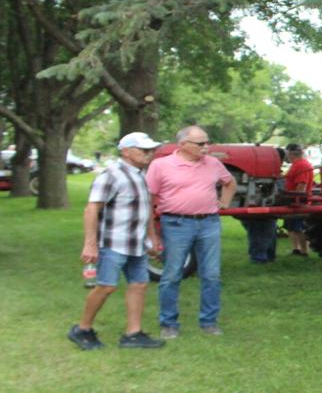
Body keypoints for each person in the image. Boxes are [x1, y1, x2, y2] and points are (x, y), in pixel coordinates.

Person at [70, 132, 166, 350]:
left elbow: (146, 209)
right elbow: (91, 209)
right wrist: (90, 243)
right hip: (113, 244)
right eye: (144, 150)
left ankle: (133, 334)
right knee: (106, 287)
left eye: (151, 150)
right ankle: (82, 329)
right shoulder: (111, 175)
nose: (149, 154)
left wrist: (152, 236)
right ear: (126, 151)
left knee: (139, 284)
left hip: (136, 244)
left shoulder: (141, 175)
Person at [146, 125, 234, 337]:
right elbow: (148, 200)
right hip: (176, 224)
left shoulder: (213, 163)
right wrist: (152, 233)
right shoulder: (160, 165)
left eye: (207, 142)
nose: (206, 147)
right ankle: (168, 324)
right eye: (201, 144)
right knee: (172, 274)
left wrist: (224, 202)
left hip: (209, 224)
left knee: (211, 275)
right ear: (182, 145)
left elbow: (229, 182)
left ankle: (209, 322)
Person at [282, 144, 315, 256]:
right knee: (291, 226)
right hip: (292, 198)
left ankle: (304, 251)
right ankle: (296, 249)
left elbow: (301, 185)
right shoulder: (297, 164)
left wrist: (296, 199)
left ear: (291, 153)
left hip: (298, 199)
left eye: (287, 154)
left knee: (297, 227)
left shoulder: (301, 165)